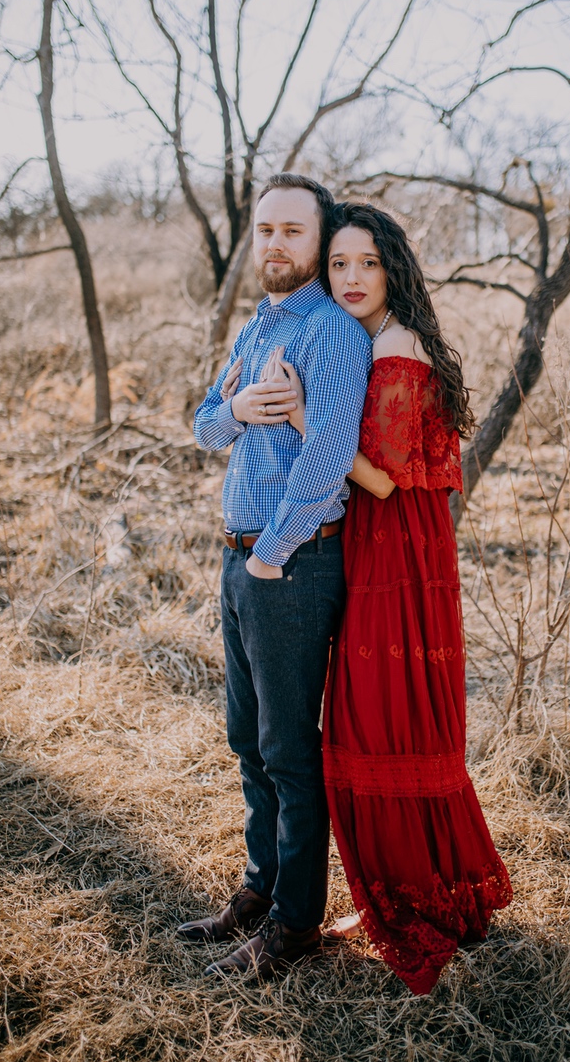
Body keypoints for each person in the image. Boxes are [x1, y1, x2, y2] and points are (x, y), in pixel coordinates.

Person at [279, 202, 512, 995]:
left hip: (397, 547)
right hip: (393, 540)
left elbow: (379, 474)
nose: (349, 278)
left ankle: (414, 894)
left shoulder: (397, 346)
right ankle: (418, 878)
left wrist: (310, 418)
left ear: (393, 269)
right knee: (385, 712)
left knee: (378, 715)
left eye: (365, 263)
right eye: (337, 264)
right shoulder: (379, 338)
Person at [180, 174, 371, 980]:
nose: (275, 245)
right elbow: (203, 424)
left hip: (287, 562)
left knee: (289, 751)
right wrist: (244, 411)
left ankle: (295, 922)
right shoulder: (259, 323)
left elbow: (327, 460)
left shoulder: (329, 331)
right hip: (239, 554)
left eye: (293, 231)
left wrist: (271, 553)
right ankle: (259, 891)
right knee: (246, 740)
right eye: (264, 230)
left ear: (317, 238)